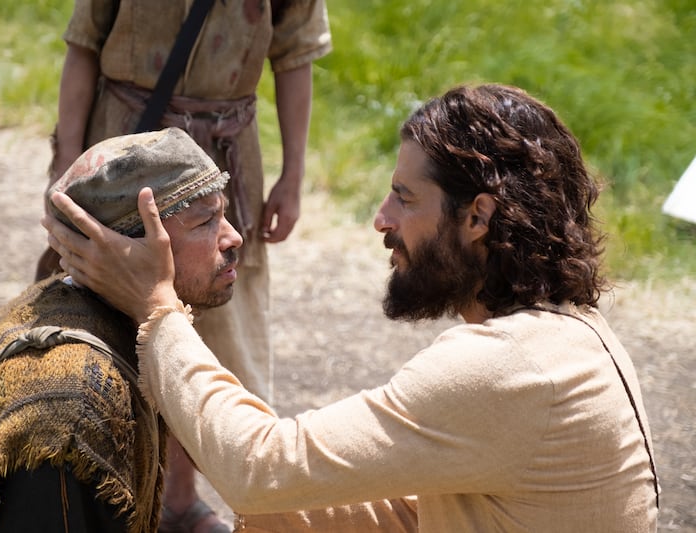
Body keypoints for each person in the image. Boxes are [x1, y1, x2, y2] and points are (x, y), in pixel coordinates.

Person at [43, 84, 659, 531]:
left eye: (403, 198)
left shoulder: (510, 367)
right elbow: (418, 510)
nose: (381, 220)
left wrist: (157, 310)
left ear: (477, 217)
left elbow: (260, 468)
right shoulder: (569, 337)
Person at [35, 3, 332, 529]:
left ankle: (180, 501)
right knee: (107, 316)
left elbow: (295, 57)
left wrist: (293, 173)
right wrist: (68, 158)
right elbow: (83, 44)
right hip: (125, 152)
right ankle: (94, 497)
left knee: (222, 323)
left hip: (225, 158)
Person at [0, 128, 242, 533]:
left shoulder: (68, 308)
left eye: (222, 214)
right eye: (204, 222)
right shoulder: (74, 410)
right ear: (125, 249)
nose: (233, 237)